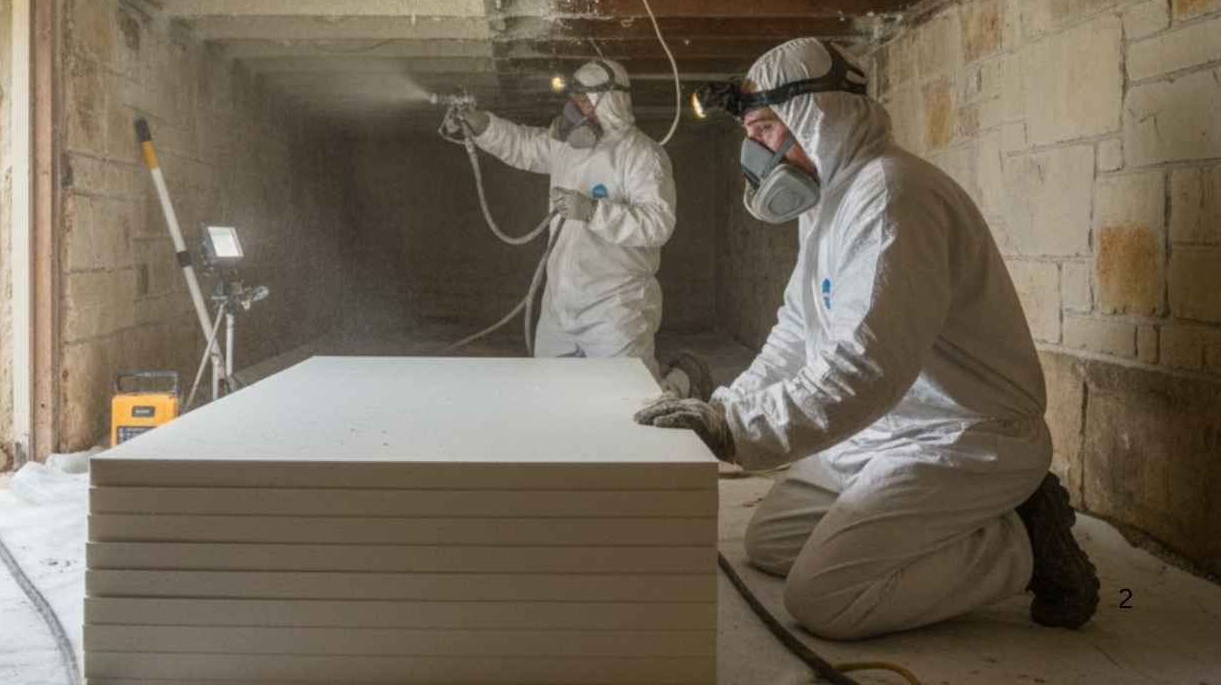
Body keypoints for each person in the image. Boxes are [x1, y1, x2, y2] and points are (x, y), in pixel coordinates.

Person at [635, 37, 1099, 640]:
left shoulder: (892, 196)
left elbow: (866, 366)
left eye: (766, 129)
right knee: (771, 541)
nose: (755, 153)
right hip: (884, 429)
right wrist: (725, 409)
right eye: (750, 134)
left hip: (960, 436)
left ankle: (1023, 539)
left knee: (824, 598)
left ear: (818, 117)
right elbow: (797, 334)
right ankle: (948, 524)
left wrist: (739, 432)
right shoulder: (830, 202)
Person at [458, 58, 695, 391]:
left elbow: (657, 224)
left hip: (614, 306)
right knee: (552, 394)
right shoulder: (568, 148)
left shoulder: (641, 155)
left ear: (610, 101)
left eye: (584, 101)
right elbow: (523, 146)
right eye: (574, 100)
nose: (575, 108)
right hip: (560, 304)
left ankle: (683, 380)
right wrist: (480, 124)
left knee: (632, 399)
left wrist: (593, 211)